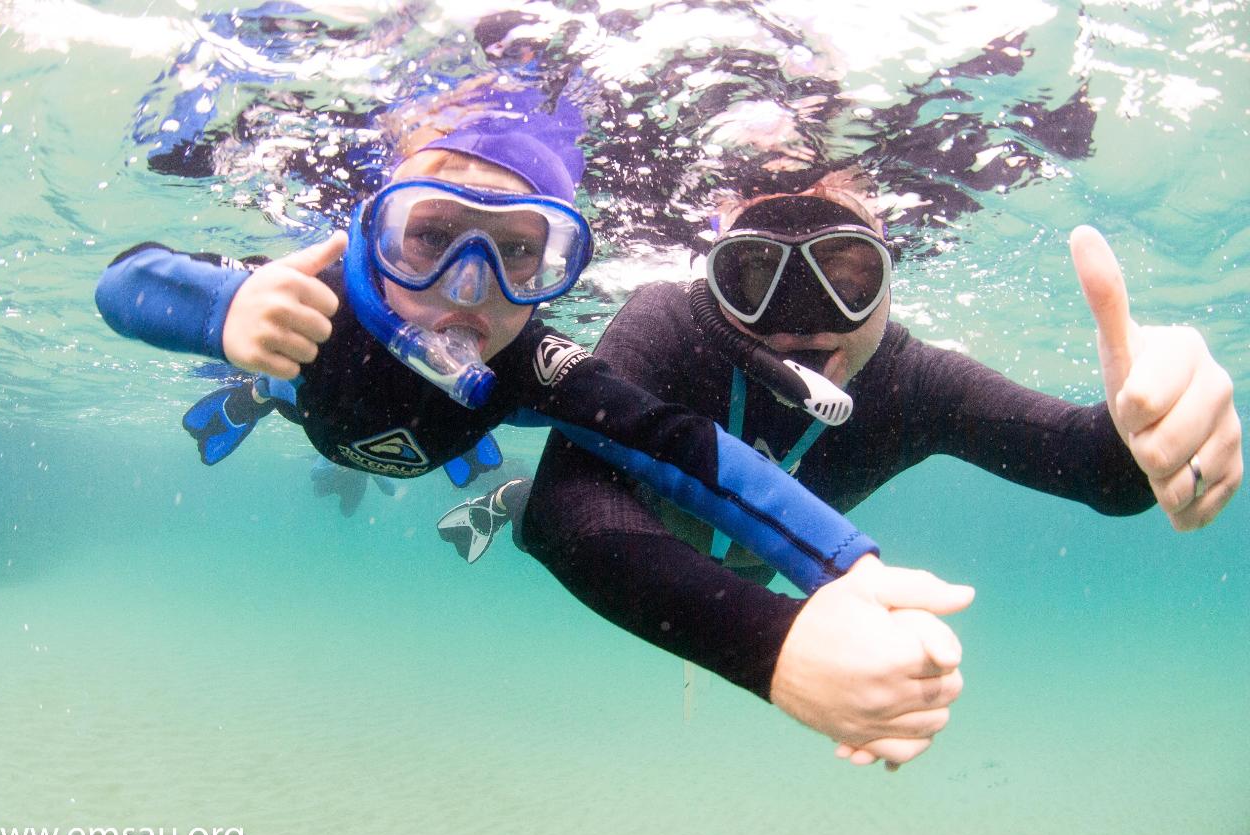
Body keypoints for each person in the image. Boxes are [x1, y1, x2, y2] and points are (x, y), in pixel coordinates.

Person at [95, 92, 965, 628]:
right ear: (372, 233)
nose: (465, 289)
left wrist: (843, 563)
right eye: (429, 236)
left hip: (427, 427)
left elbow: (685, 448)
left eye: (516, 254)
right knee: (277, 372)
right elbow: (124, 281)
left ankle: (455, 451)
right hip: (306, 392)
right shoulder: (308, 298)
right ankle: (250, 391)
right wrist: (224, 309)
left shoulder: (533, 364)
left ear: (555, 272)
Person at [519, 171, 1242, 768]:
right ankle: (499, 497)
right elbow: (566, 508)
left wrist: (1151, 421)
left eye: (845, 276)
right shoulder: (670, 325)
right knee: (525, 517)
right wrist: (776, 644)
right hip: (655, 538)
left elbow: (1099, 470)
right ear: (715, 280)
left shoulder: (907, 381)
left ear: (889, 284)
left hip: (719, 569)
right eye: (756, 276)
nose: (801, 322)